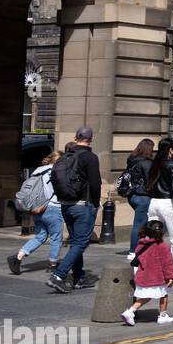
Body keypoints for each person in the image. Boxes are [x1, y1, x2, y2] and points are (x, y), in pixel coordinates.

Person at [48, 126, 102, 294]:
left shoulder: (65, 156)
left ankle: (78, 277)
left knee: (75, 242)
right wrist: (95, 202)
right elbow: (95, 183)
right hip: (83, 205)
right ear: (91, 139)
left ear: (75, 137)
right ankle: (58, 275)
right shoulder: (90, 157)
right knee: (81, 242)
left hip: (66, 204)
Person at [143, 137, 173, 283]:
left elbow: (149, 184)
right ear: (171, 149)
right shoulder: (171, 165)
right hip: (167, 203)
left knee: (151, 236)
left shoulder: (154, 164)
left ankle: (148, 266)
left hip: (153, 202)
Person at [8, 150, 62, 275]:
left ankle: (18, 257)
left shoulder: (38, 170)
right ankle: (53, 264)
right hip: (52, 207)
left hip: (37, 208)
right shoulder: (56, 172)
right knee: (56, 237)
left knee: (40, 236)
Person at [123, 219, 173, 326]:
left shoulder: (142, 244)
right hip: (157, 277)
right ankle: (162, 315)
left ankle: (131, 311)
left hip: (143, 275)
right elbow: (167, 264)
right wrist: (170, 277)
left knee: (146, 296)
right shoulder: (163, 246)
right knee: (163, 295)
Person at [122, 138, 155, 254]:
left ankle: (141, 248)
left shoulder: (132, 160)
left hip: (132, 195)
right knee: (139, 224)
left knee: (142, 223)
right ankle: (134, 251)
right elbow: (150, 181)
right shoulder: (146, 163)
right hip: (143, 196)